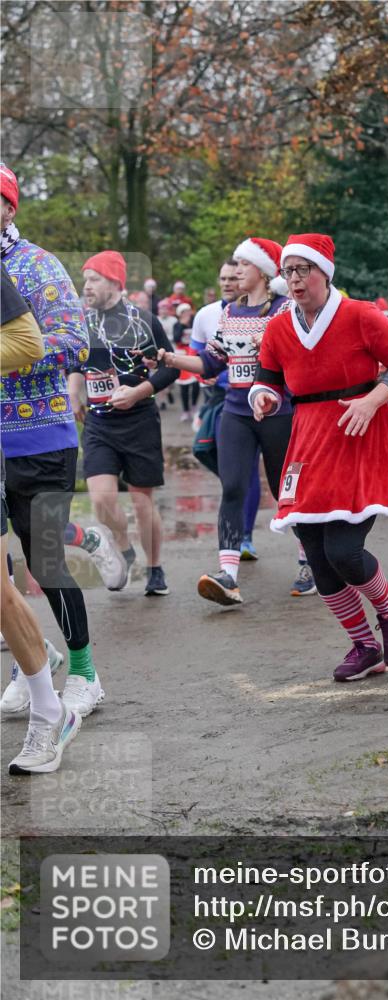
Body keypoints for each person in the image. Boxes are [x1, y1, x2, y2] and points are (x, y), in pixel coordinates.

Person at [250, 233, 388, 682]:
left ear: (324, 271)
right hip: (307, 441)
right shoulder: (278, 326)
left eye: (303, 269)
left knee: (343, 551)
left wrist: (372, 400)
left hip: (359, 433)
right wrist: (263, 397)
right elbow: (266, 377)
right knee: (314, 550)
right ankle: (364, 645)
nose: (295, 279)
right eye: (288, 271)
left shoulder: (360, 314)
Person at [153, 237, 315, 603]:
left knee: (285, 492)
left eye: (243, 264)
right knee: (233, 488)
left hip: (279, 415)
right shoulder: (229, 313)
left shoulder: (286, 311)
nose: (236, 271)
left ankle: (309, 561)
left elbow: (302, 360)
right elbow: (211, 363)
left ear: (262, 271)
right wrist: (169, 359)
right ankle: (228, 575)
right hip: (236, 412)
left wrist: (276, 391)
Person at [0, 162, 103, 719]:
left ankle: (85, 672)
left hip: (37, 434)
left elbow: (74, 341)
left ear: (8, 208)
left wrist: (14, 355)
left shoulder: (36, 267)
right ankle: (31, 662)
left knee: (43, 559)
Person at [1, 263, 82, 773]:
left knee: (22, 577)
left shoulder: (28, 267)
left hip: (44, 437)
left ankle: (52, 710)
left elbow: (29, 343)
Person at [67, 250, 179, 597]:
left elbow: (171, 367)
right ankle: (122, 545)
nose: (87, 286)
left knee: (142, 502)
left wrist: (139, 391)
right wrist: (74, 393)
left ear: (114, 281)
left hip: (139, 420)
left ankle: (155, 567)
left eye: (94, 279)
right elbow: (76, 363)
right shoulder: (82, 322)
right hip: (99, 423)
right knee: (101, 500)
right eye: (85, 279)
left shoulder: (143, 320)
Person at [190, 258, 260, 560]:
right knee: (207, 453)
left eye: (234, 277)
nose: (229, 283)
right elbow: (199, 361)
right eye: (224, 279)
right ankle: (236, 508)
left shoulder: (266, 312)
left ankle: (244, 536)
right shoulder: (207, 315)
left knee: (252, 470)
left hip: (259, 402)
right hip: (221, 400)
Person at [173, 302, 200, 422]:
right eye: (184, 312)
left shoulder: (195, 323)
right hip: (181, 355)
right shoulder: (177, 325)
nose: (187, 314)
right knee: (183, 385)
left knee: (196, 383)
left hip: (193, 354)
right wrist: (182, 325)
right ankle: (185, 410)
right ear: (180, 314)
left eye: (188, 311)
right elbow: (176, 338)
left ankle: (194, 406)